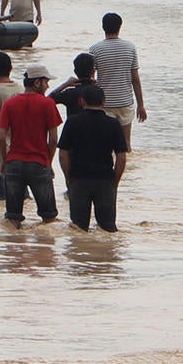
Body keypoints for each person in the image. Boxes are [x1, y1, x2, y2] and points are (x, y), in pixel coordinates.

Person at [0, 64, 63, 227]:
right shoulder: (48, 104)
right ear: (37, 83)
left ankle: (13, 249)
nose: (48, 86)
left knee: (12, 218)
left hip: (14, 163)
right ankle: (45, 249)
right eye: (46, 82)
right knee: (48, 219)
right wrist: (48, 161)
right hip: (39, 163)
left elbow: (0, 137)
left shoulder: (9, 104)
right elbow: (53, 139)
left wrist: (5, 160)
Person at [57, 85, 128, 232]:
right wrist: (115, 181)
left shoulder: (72, 122)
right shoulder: (113, 124)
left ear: (81, 101)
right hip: (105, 180)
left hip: (79, 178)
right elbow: (121, 156)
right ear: (104, 102)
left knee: (78, 228)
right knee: (107, 228)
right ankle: (106, 253)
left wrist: (68, 176)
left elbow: (63, 153)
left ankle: (79, 253)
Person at [89, 13, 147, 149]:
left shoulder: (95, 49)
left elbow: (91, 79)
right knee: (126, 144)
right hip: (125, 102)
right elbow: (135, 79)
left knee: (105, 144)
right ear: (120, 27)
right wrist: (141, 105)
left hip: (104, 103)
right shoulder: (130, 48)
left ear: (103, 27)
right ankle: (127, 169)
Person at [0, 52, 24, 201]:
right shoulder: (21, 89)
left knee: (0, 198)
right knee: (21, 198)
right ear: (11, 67)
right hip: (19, 152)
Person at [49, 52, 96, 119]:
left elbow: (49, 100)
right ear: (93, 71)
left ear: (75, 71)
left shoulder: (70, 93)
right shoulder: (98, 92)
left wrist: (65, 84)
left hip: (73, 127)